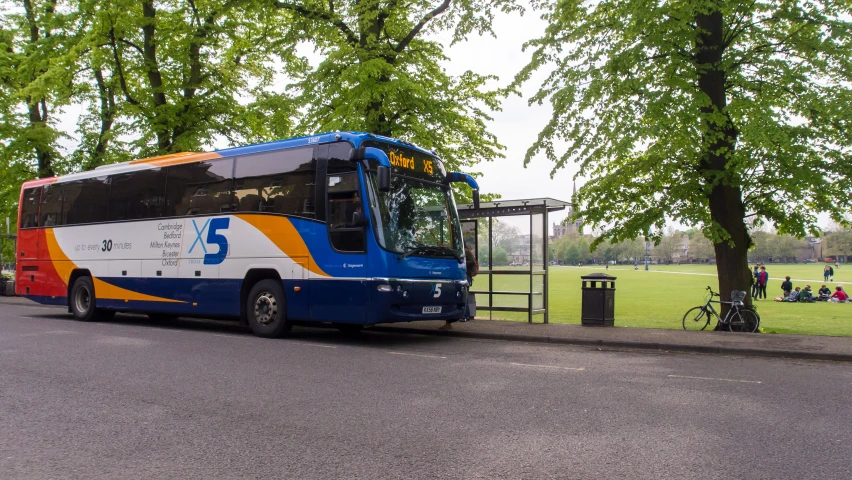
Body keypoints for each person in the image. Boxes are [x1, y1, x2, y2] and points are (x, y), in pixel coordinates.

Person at [441, 243, 477, 329]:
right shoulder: (460, 252)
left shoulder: (466, 252)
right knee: (463, 295)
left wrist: (461, 263)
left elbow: (472, 262)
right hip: (462, 275)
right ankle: (463, 315)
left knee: (465, 295)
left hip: (466, 275)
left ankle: (466, 315)